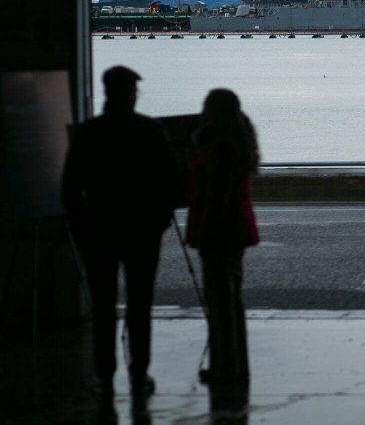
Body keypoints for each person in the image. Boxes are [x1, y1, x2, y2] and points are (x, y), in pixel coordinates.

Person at [61, 65, 178, 397]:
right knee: (141, 305)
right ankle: (139, 373)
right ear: (132, 94)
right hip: (142, 231)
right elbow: (170, 182)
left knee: (102, 306)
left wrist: (80, 225)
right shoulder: (151, 131)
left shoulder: (87, 133)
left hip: (99, 230)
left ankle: (104, 374)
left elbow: (70, 188)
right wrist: (159, 219)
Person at [186, 89, 261, 383]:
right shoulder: (238, 141)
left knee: (219, 302)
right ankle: (235, 365)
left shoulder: (219, 147)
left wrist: (201, 234)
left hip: (218, 232)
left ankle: (224, 367)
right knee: (230, 300)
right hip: (235, 229)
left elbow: (214, 197)